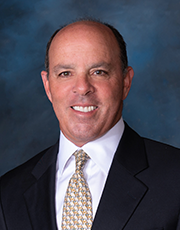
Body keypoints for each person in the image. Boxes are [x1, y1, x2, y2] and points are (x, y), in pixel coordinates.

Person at [1, 19, 180, 230]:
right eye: (65, 73)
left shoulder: (175, 178)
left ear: (125, 82)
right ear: (48, 86)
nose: (83, 88)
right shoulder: (7, 194)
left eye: (99, 72)